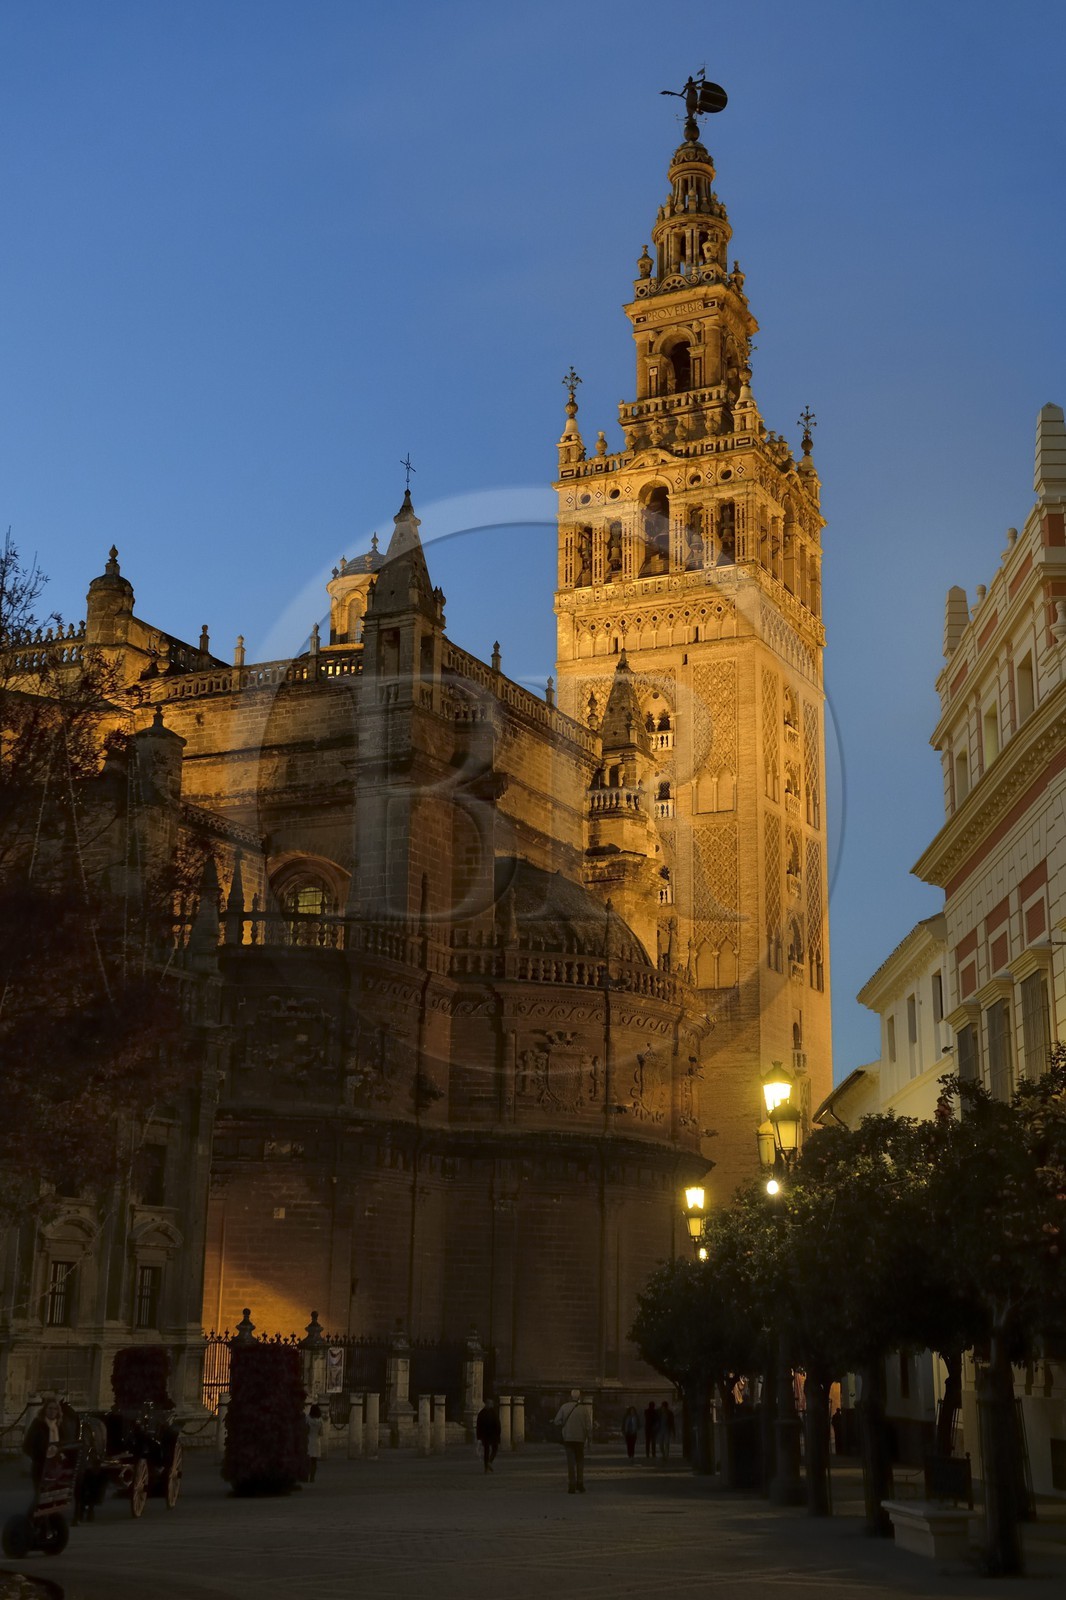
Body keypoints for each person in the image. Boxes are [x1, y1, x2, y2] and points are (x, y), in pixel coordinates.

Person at [553, 1389, 592, 1495]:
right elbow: (588, 1426)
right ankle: (580, 1483)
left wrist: (565, 1426)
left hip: (568, 1438)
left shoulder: (564, 1407)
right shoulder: (584, 1409)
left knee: (571, 1463)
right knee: (580, 1461)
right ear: (579, 1397)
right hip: (580, 1439)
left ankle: (572, 1485)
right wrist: (589, 1439)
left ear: (570, 1396)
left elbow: (557, 1421)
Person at [23, 1398, 63, 1492]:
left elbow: (63, 1443)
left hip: (55, 1465)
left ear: (58, 1411)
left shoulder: (59, 1426)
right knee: (40, 1494)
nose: (52, 1411)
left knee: (51, 1495)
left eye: (55, 1409)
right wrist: (38, 1458)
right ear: (45, 1410)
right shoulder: (38, 1424)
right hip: (40, 1465)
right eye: (49, 1408)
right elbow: (27, 1445)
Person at [475, 1399, 502, 1474]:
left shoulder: (490, 1412)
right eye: (490, 1404)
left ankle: (488, 1463)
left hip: (491, 1434)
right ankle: (487, 1465)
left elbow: (497, 1424)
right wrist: (479, 1437)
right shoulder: (484, 1413)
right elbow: (479, 1426)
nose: (491, 1405)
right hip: (487, 1435)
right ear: (486, 1404)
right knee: (488, 1451)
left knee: (494, 1449)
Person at [306, 1403, 323, 1483]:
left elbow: (306, 1430)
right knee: (314, 1461)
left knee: (307, 1460)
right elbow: (321, 1433)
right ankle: (312, 1478)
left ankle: (306, 1476)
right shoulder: (320, 1420)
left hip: (309, 1440)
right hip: (317, 1441)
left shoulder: (307, 1419)